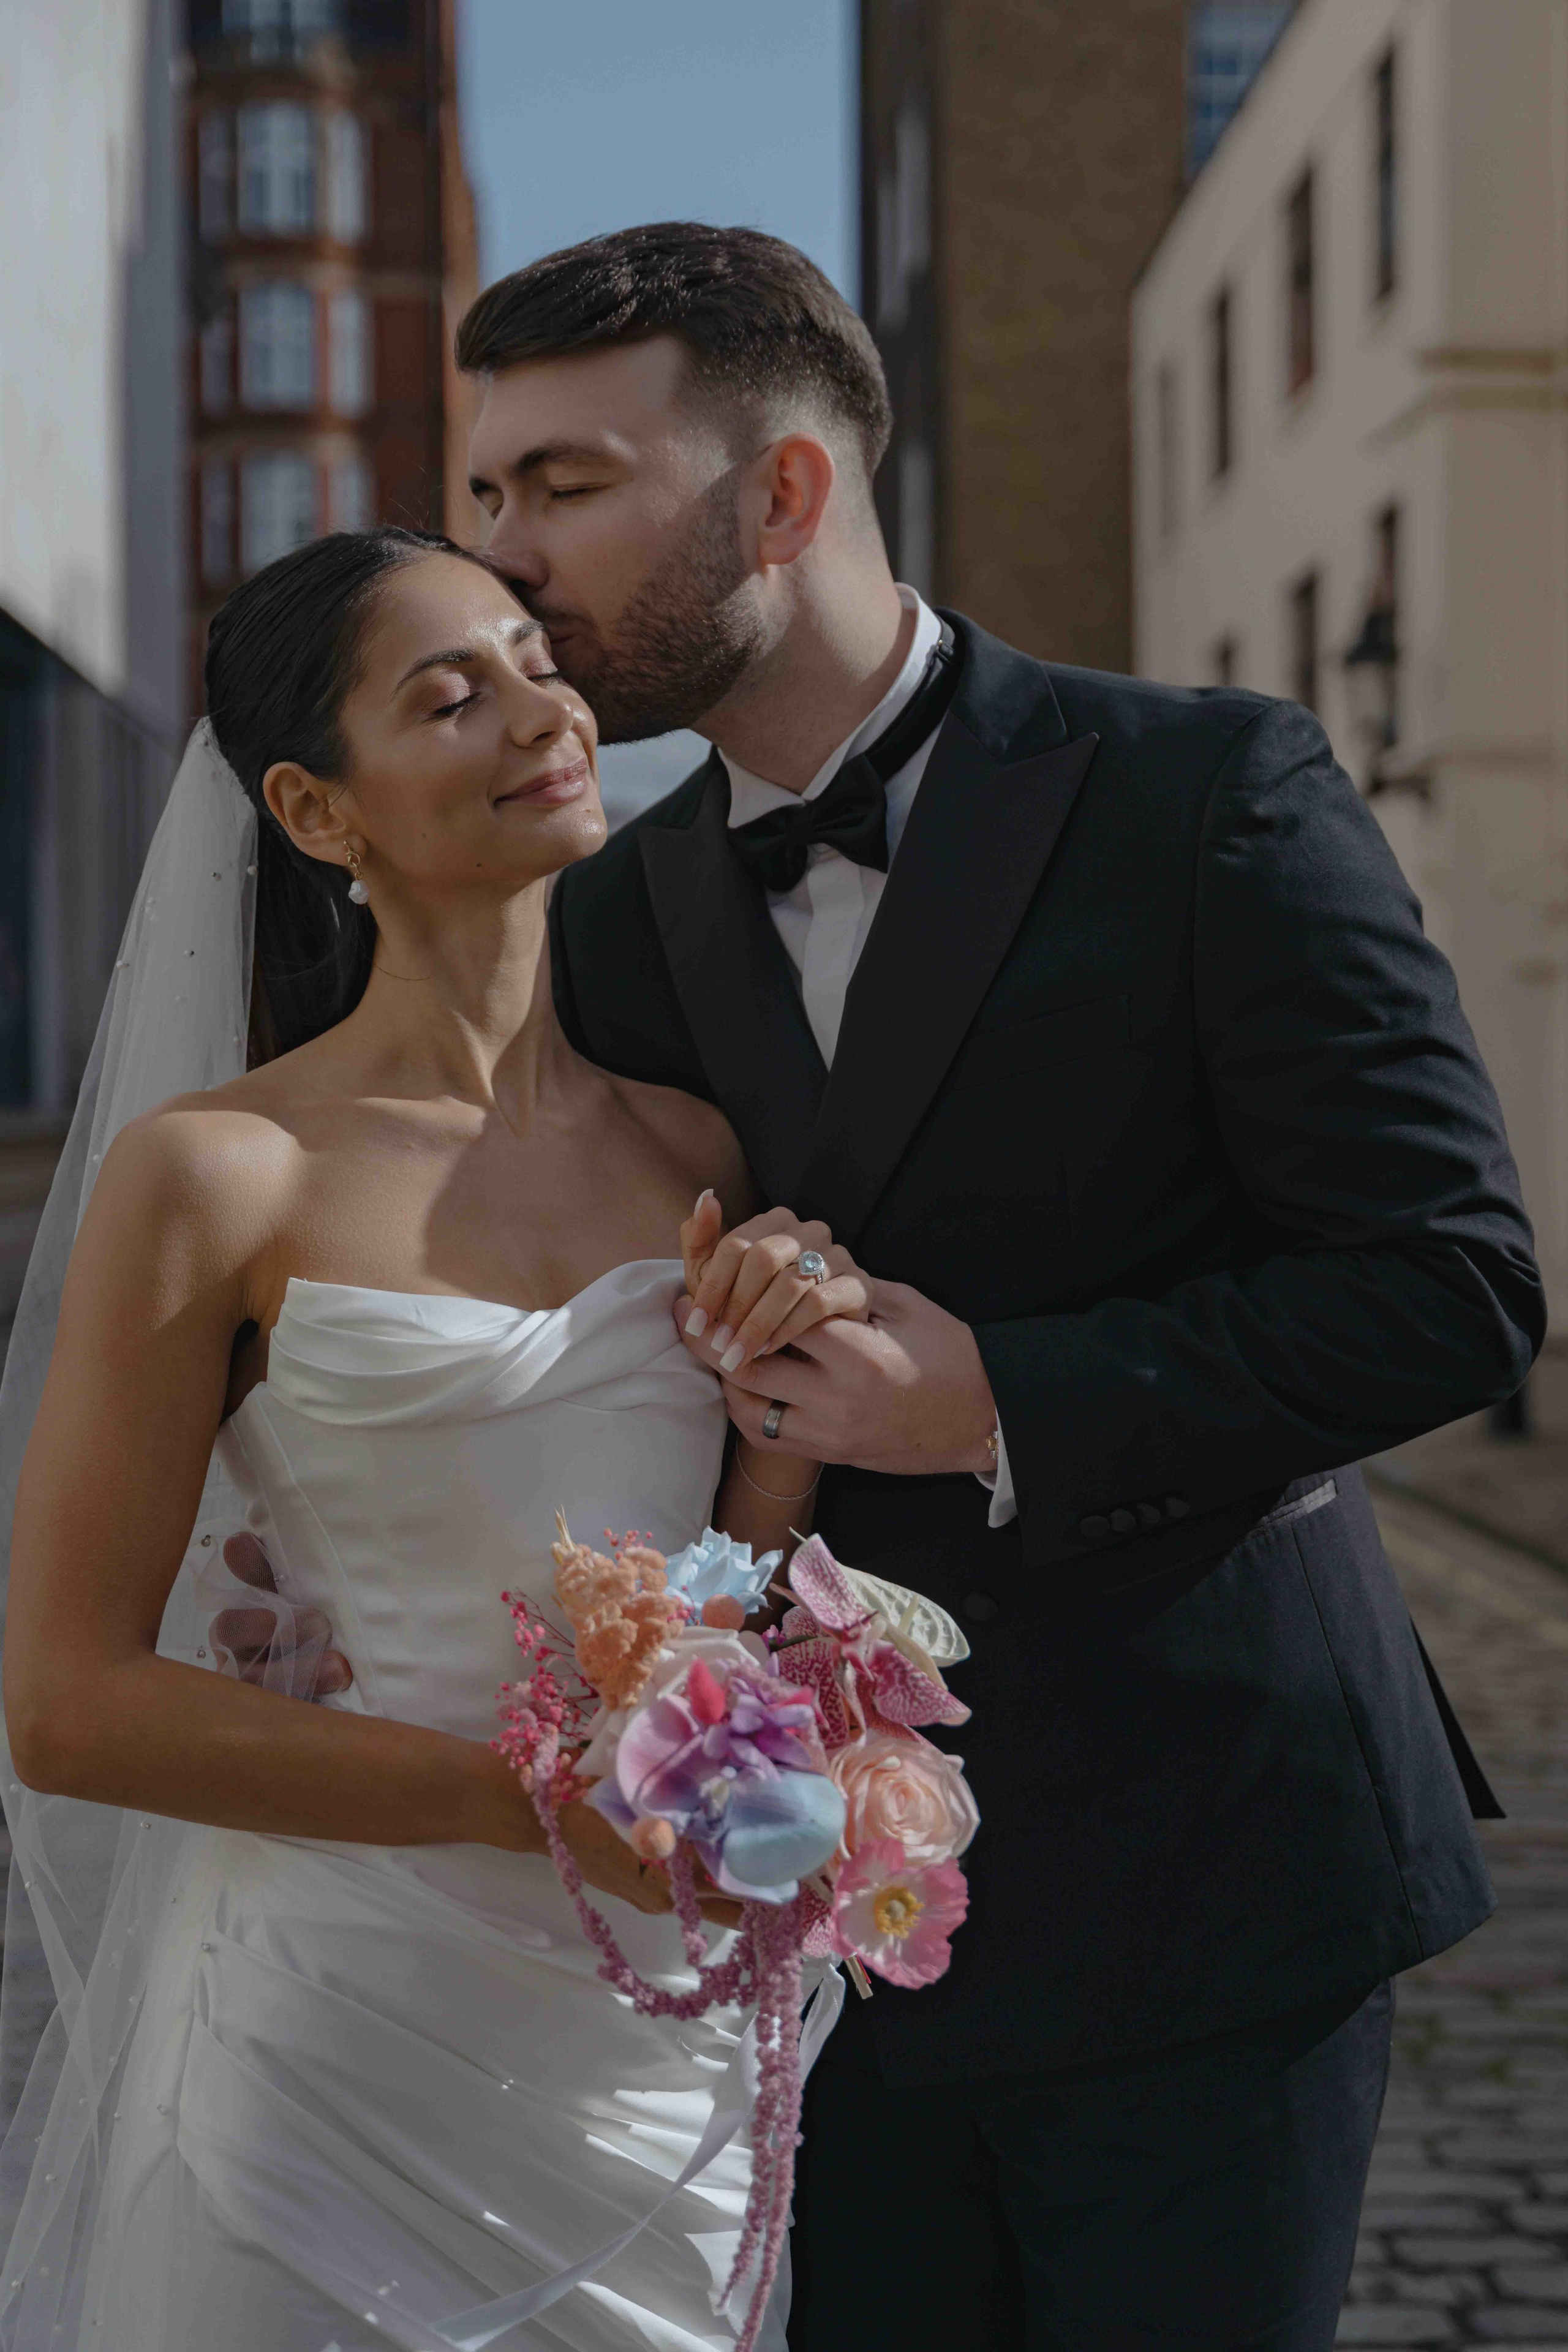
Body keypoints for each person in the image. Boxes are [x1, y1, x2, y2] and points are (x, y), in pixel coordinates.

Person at [448, 222, 1542, 2350]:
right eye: (486, 498)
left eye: (567, 484)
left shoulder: (1207, 789)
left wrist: (995, 1405)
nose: (510, 564)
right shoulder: (610, 915)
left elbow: (1453, 1282)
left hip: (1210, 1895)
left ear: (785, 492)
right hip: (803, 1925)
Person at [0, 526, 869, 2350]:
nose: (539, 709)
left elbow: (708, 1588)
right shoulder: (219, 1173)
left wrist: (784, 1416)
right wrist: (547, 1806)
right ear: (320, 813)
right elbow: (67, 1710)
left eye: (531, 662)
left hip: (649, 2074)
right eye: (448, 694)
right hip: (331, 2054)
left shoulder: (692, 1152)